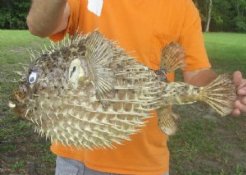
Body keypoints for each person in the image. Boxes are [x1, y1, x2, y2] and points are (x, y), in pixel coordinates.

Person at [26, 0, 246, 174]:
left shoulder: (183, 7)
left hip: (147, 163)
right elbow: (39, 25)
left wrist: (222, 88)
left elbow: (197, 73)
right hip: (80, 160)